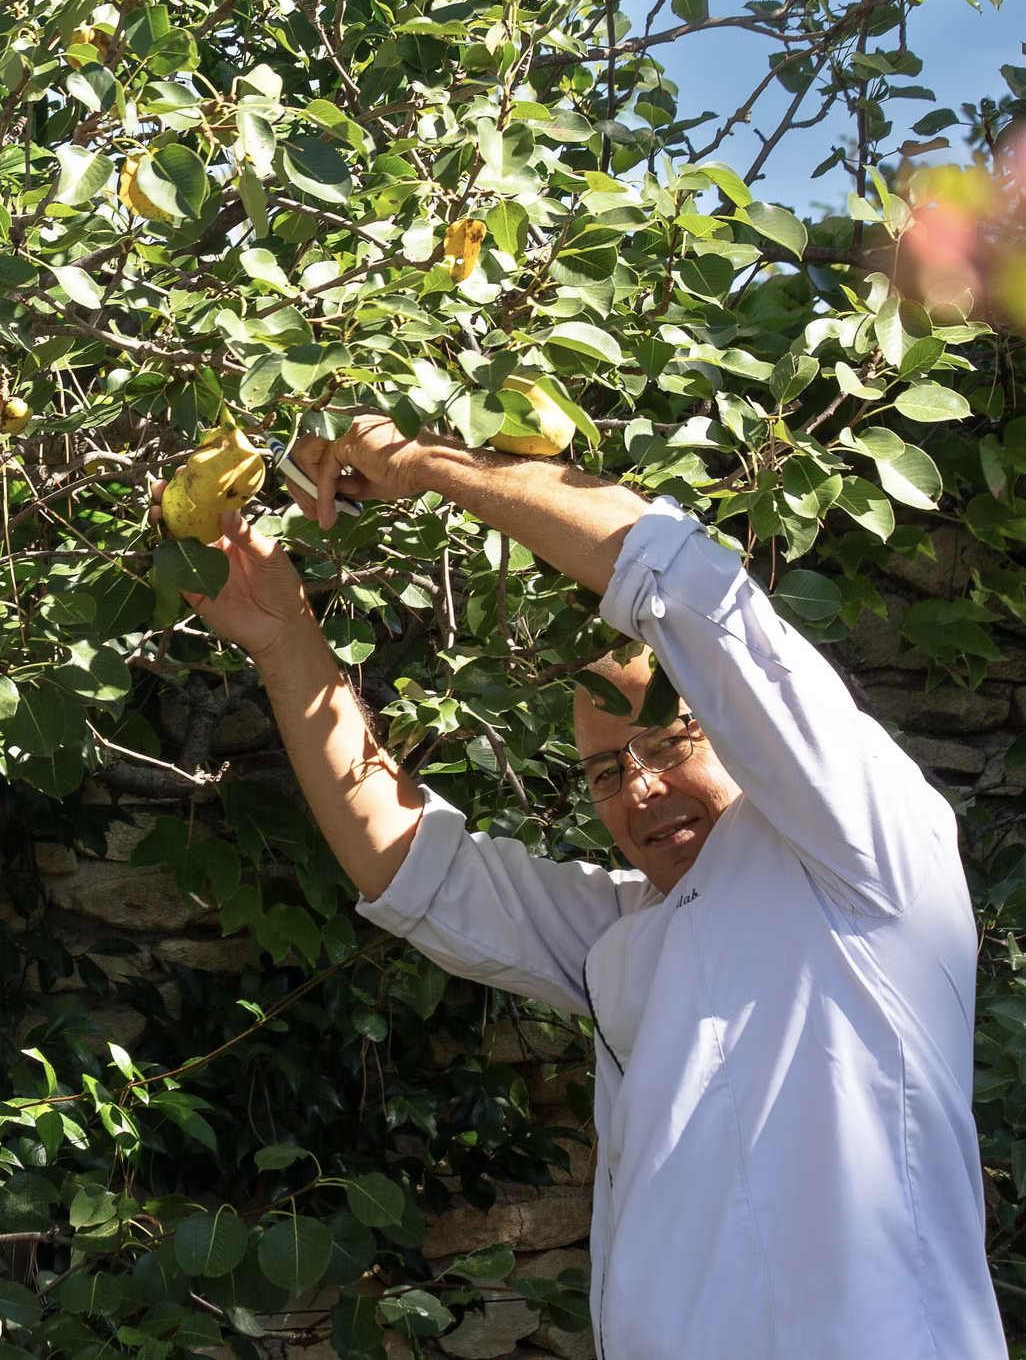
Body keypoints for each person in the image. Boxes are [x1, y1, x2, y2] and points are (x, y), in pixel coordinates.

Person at [176, 417, 1003, 1359]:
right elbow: (411, 865)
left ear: (741, 728)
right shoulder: (630, 932)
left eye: (664, 741)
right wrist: (285, 641)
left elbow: (686, 585)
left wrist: (426, 463)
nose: (636, 787)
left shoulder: (868, 845)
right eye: (605, 772)